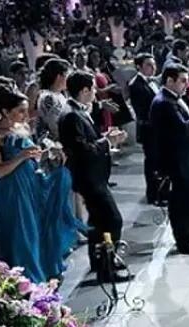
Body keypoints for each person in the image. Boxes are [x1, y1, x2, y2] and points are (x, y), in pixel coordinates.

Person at [0, 85, 77, 283]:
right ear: (5, 111)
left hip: (31, 180)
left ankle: (43, 268)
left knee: (38, 226)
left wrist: (48, 153)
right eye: (20, 111)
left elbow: (32, 155)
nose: (26, 116)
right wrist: (21, 157)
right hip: (10, 188)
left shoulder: (22, 127)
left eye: (26, 110)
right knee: (21, 232)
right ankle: (25, 278)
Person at [58, 71, 129, 282]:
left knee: (98, 221)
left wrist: (105, 137)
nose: (95, 93)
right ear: (84, 90)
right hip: (89, 178)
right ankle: (107, 264)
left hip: (94, 175)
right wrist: (107, 142)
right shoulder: (71, 115)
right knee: (112, 219)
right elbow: (82, 150)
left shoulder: (79, 111)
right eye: (93, 89)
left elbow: (89, 140)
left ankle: (101, 263)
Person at [150, 64, 189, 255]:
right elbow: (183, 129)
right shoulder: (164, 103)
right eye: (183, 81)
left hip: (186, 157)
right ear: (170, 80)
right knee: (183, 201)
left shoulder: (173, 99)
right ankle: (183, 240)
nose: (187, 85)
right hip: (177, 160)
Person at [128, 53, 165, 205]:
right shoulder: (136, 84)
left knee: (158, 162)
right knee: (152, 162)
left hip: (158, 128)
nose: (153, 67)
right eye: (149, 65)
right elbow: (142, 111)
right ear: (139, 67)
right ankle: (153, 194)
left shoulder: (153, 82)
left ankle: (160, 191)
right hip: (149, 129)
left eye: (153, 64)